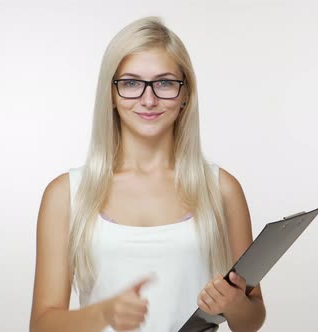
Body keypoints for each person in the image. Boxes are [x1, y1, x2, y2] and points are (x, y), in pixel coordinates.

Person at [29, 16, 266, 332]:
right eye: (130, 83)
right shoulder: (66, 194)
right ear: (111, 95)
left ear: (185, 95)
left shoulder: (221, 189)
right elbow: (41, 325)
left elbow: (251, 320)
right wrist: (103, 313)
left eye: (165, 82)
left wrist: (233, 303)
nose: (149, 99)